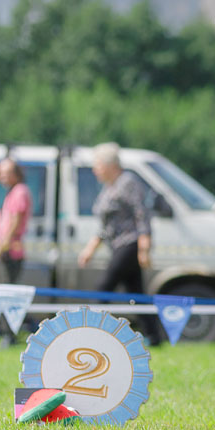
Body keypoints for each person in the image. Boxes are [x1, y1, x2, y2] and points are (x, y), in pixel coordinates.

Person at [77, 143, 162, 345]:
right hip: (117, 245)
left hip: (130, 244)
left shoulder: (128, 182)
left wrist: (144, 247)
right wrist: (90, 249)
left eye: (97, 165)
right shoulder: (109, 187)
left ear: (110, 165)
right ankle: (154, 336)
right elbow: (106, 226)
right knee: (136, 294)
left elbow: (141, 214)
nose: (94, 169)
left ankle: (91, 334)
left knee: (103, 288)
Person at [0, 158, 32, 345]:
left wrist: (0, 249)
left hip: (10, 251)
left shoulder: (19, 192)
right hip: (7, 249)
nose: (3, 177)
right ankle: (15, 330)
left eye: (7, 173)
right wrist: (1, 166)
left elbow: (14, 222)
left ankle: (10, 335)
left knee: (6, 294)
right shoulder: (13, 190)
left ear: (16, 174)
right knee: (4, 293)